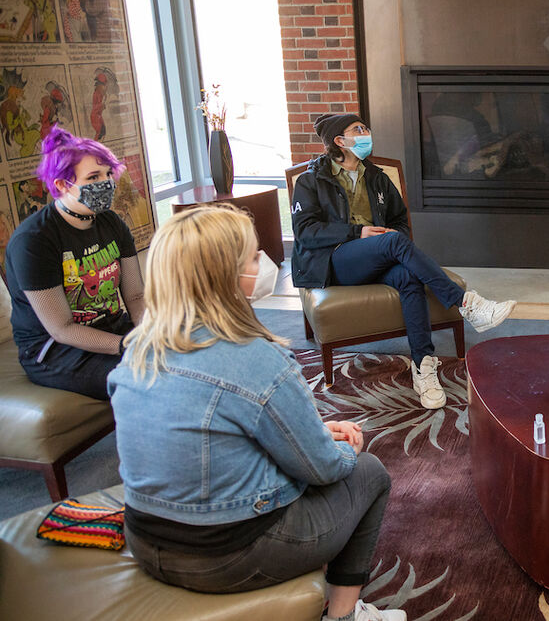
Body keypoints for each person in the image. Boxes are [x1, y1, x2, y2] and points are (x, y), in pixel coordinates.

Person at [108, 206, 404, 621]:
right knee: (368, 471)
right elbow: (321, 469)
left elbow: (212, 432)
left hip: (144, 540)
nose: (262, 265)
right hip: (227, 558)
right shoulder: (259, 360)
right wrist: (342, 450)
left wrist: (314, 429)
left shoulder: (137, 350)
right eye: (251, 258)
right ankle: (344, 615)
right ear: (225, 277)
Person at [291, 112, 516, 410]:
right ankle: (467, 304)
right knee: (395, 242)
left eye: (366, 127)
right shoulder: (311, 181)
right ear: (339, 141)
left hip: (379, 255)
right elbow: (305, 232)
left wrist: (386, 239)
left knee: (408, 276)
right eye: (358, 129)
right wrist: (358, 233)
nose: (366, 132)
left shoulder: (377, 177)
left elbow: (399, 221)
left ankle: (423, 366)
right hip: (334, 261)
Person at [3, 125, 143, 399]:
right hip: (54, 349)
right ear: (62, 185)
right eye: (93, 177)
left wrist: (148, 333)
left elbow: (136, 295)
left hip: (111, 328)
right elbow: (61, 329)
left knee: (184, 355)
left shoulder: (111, 222)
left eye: (107, 174)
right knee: (147, 378)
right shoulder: (33, 240)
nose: (106, 183)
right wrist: (129, 345)